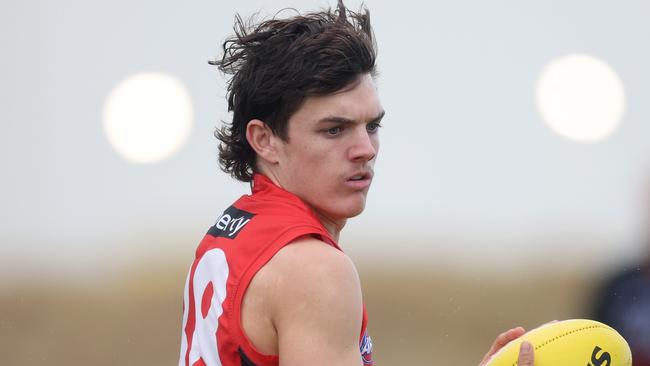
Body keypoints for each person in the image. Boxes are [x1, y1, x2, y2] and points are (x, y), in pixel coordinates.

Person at [178, 1, 535, 365]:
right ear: (264, 140)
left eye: (372, 126)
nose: (365, 149)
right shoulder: (314, 268)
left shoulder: (233, 231)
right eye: (334, 129)